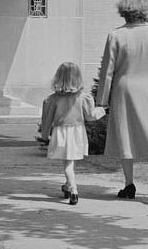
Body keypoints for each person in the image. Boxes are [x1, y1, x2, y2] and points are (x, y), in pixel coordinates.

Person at [96, 0, 148, 204]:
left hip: (125, 89)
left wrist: (102, 101)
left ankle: (129, 184)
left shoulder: (116, 36)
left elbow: (107, 71)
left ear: (124, 12)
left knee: (126, 136)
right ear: (146, 11)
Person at [40, 61, 105, 206]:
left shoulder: (53, 99)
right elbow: (90, 116)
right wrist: (102, 110)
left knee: (68, 163)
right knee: (72, 160)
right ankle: (70, 186)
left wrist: (45, 134)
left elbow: (47, 119)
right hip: (77, 131)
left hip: (61, 132)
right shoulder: (82, 97)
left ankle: (72, 188)